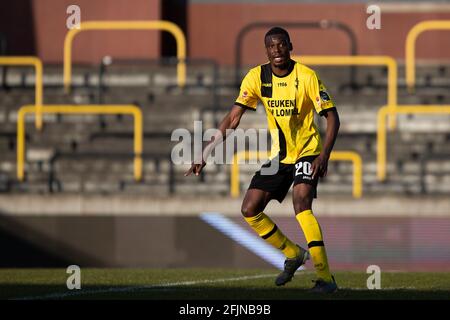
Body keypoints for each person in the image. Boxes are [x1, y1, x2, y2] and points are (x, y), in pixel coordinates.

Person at [185, 27, 340, 293]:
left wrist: (324, 155)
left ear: (290, 46)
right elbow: (233, 118)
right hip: (280, 156)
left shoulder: (306, 76)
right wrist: (206, 152)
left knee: (301, 201)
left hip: (308, 151)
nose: (276, 51)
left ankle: (325, 278)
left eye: (281, 45)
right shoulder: (257, 78)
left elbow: (332, 117)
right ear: (266, 50)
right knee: (249, 209)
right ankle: (293, 254)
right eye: (271, 46)